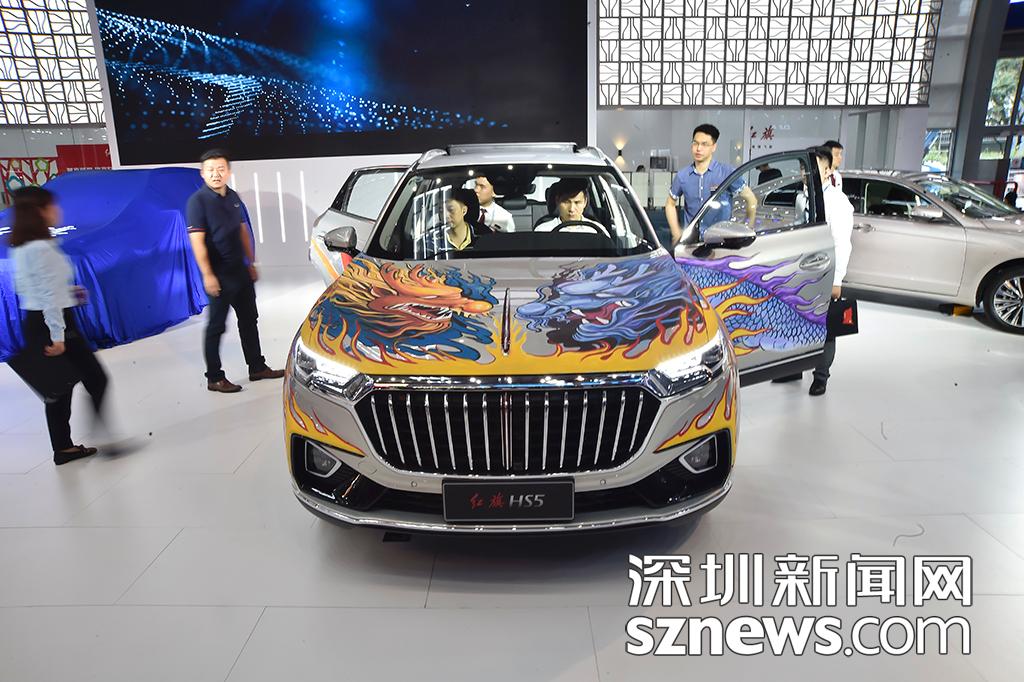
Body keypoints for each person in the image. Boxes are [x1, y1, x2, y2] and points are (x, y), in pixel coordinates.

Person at [6, 187, 109, 465]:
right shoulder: (42, 248)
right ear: (39, 212)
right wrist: (58, 335)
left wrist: (69, 293)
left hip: (36, 321)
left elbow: (33, 288)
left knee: (59, 388)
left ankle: (64, 447)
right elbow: (48, 296)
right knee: (94, 379)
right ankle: (101, 436)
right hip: (53, 323)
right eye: (52, 205)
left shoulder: (23, 247)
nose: (57, 210)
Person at [187, 149, 284, 393]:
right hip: (219, 275)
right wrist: (208, 275)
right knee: (216, 326)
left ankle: (257, 367)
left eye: (220, 169)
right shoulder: (197, 202)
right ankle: (214, 378)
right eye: (210, 170)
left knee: (249, 320)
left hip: (240, 271)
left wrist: (250, 263)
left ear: (228, 172)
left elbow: (242, 230)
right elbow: (197, 242)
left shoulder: (233, 196)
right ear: (202, 173)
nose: (216, 174)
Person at [775, 147, 854, 395]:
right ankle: (794, 369)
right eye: (803, 167)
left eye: (813, 168)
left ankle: (821, 376)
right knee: (796, 320)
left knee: (826, 327)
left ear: (828, 171)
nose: (805, 172)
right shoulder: (802, 198)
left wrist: (837, 279)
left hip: (826, 271)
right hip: (803, 272)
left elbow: (842, 243)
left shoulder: (839, 203)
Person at [665, 123, 758, 246]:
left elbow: (751, 199)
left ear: (713, 147)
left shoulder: (726, 172)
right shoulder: (683, 176)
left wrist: (747, 228)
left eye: (704, 144)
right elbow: (670, 204)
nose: (698, 148)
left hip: (721, 240)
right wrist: (676, 233)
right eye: (695, 143)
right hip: (692, 242)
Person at [534, 179, 604, 233]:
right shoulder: (543, 230)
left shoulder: (597, 230)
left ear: (585, 202)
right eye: (566, 202)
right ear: (557, 201)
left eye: (577, 203)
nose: (571, 209)